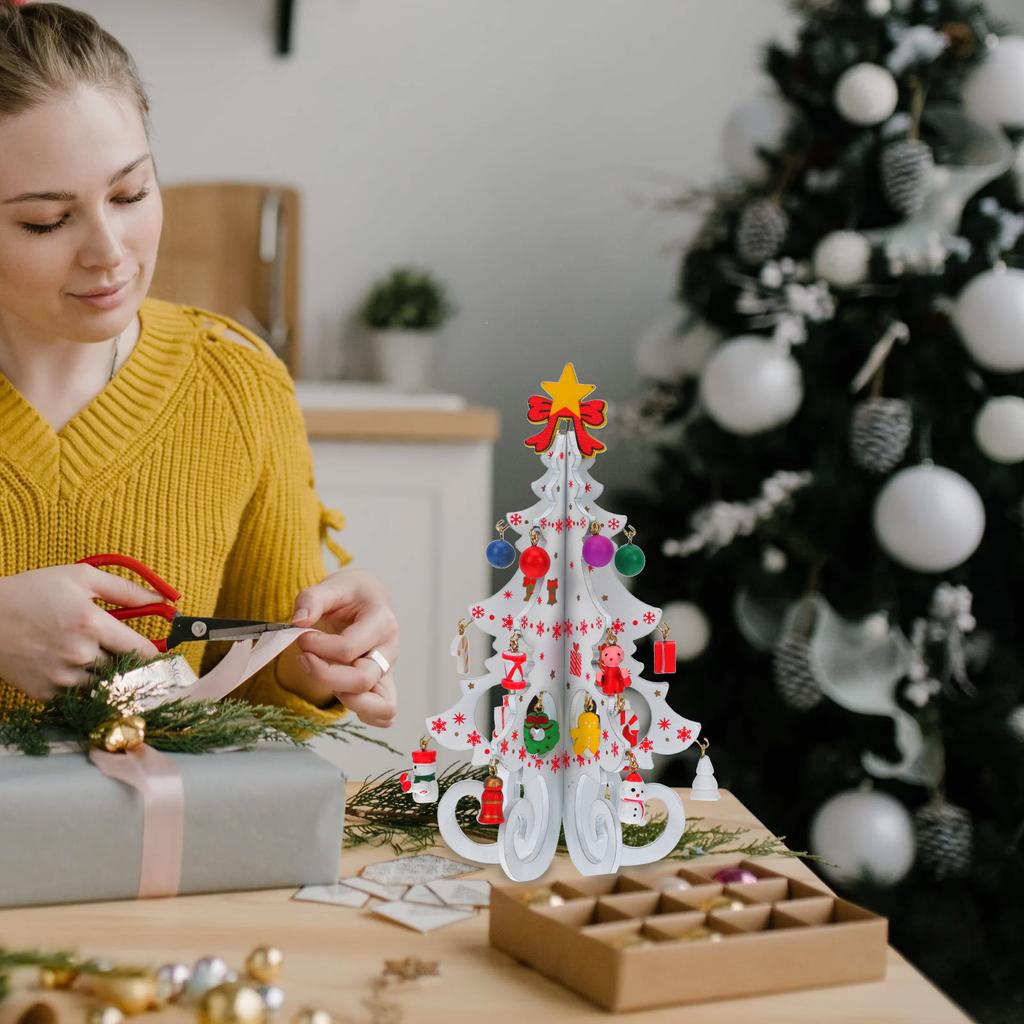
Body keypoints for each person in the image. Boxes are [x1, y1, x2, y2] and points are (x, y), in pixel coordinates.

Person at [0, 1, 398, 729]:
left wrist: (311, 667)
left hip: (149, 843)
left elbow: (255, 711)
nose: (109, 251)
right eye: (46, 221)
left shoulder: (237, 386)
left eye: (130, 193)